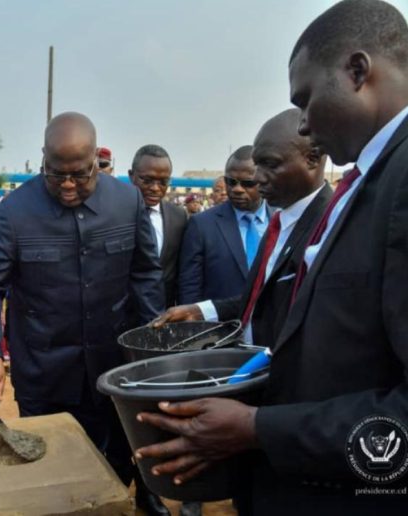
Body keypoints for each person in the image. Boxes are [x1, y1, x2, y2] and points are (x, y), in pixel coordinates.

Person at [136, 2, 408, 514]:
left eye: (305, 100)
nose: (303, 124)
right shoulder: (370, 179)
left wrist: (259, 428)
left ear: (358, 72)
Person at [0, 112, 167, 515]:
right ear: (43, 158)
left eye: (80, 174)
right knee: (53, 468)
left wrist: (151, 346)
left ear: (97, 159)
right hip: (44, 370)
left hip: (114, 365)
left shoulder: (127, 202)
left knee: (117, 455)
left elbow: (145, 274)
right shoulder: (14, 211)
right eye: (57, 174)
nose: (69, 185)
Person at [155, 107, 332, 348]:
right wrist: (200, 311)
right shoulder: (280, 223)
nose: (257, 178)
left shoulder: (331, 224)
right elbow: (260, 298)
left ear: (312, 159)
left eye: (270, 164)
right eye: (257, 165)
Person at [178, 146, 270, 304]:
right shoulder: (202, 225)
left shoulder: (283, 219)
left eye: (247, 183)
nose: (237, 189)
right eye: (231, 182)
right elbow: (189, 288)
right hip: (221, 319)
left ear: (263, 180)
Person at [128, 144, 188, 308]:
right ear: (132, 176)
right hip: (122, 313)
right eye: (147, 180)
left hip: (164, 311)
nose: (155, 188)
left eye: (163, 182)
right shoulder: (115, 214)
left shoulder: (179, 217)